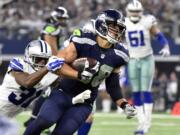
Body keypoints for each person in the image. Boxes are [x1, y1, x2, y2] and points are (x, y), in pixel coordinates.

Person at [23, 9, 137, 135]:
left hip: (84, 102)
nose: (117, 31)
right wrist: (78, 75)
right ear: (101, 24)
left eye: (119, 28)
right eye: (113, 27)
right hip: (63, 92)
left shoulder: (120, 54)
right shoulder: (83, 40)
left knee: (63, 133)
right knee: (44, 121)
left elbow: (113, 85)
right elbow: (56, 64)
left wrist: (124, 104)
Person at [125, 1, 170, 134]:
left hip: (146, 59)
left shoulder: (147, 20)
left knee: (146, 90)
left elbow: (158, 35)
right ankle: (141, 123)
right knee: (136, 92)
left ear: (141, 11)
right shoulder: (123, 23)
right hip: (132, 59)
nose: (134, 14)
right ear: (128, 12)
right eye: (132, 12)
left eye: (136, 12)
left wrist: (166, 46)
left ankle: (147, 124)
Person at [24, 6, 70, 129]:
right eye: (61, 18)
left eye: (64, 18)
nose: (63, 21)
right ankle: (35, 119)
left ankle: (34, 119)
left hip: (49, 61)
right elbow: (53, 50)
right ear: (55, 17)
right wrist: (62, 60)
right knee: (49, 91)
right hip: (48, 61)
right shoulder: (51, 28)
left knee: (47, 92)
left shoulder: (56, 27)